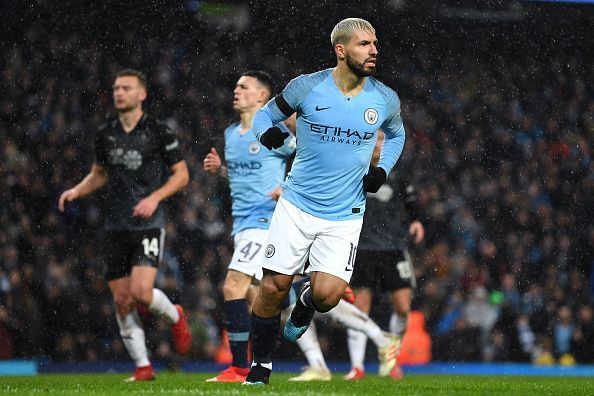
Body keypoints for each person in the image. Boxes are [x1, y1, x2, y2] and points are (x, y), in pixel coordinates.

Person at [243, 18, 406, 385]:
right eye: (365, 44)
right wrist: (266, 131)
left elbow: (397, 135)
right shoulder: (307, 87)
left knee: (328, 296)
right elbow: (265, 113)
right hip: (296, 204)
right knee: (272, 287)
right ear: (341, 50)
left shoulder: (383, 98)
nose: (374, 50)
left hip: (344, 215)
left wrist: (383, 171)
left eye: (375, 43)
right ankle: (261, 365)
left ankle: (306, 304)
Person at [58, 69, 192, 381]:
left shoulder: (159, 131)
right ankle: (143, 366)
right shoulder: (106, 134)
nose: (119, 92)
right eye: (117, 88)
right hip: (115, 225)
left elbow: (182, 175)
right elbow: (100, 173)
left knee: (142, 293)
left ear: (141, 94)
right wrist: (77, 190)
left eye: (126, 88)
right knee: (121, 299)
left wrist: (155, 198)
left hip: (147, 223)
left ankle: (176, 315)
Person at [202, 71, 296, 382]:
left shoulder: (273, 130)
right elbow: (245, 176)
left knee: (232, 286)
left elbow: (309, 156)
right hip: (242, 223)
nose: (236, 90)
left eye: (244, 87)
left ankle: (240, 366)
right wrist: (222, 171)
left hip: (264, 220)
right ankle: (306, 287)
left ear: (261, 97)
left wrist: (290, 186)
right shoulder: (231, 134)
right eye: (236, 86)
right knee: (260, 297)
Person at [345, 130, 425, 381]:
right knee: (360, 309)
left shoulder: (396, 172)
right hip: (363, 247)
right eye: (373, 139)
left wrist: (415, 221)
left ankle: (389, 360)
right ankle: (357, 366)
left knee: (403, 307)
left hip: (393, 247)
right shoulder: (354, 170)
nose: (377, 144)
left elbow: (410, 200)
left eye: (381, 140)